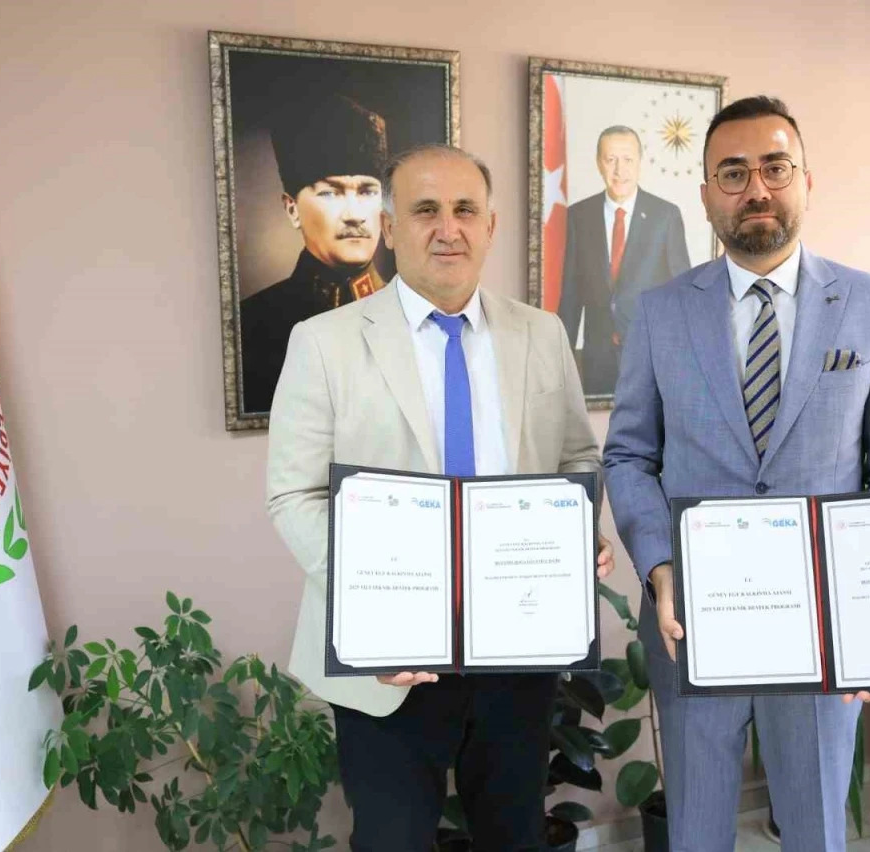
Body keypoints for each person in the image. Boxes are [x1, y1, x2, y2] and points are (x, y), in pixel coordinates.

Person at [602, 95, 870, 852]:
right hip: (692, 618)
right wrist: (658, 564)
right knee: (697, 827)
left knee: (815, 827)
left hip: (823, 626)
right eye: (733, 172)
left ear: (806, 181)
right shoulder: (659, 312)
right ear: (706, 195)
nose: (756, 188)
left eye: (775, 168)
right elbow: (629, 455)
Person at [266, 144, 614, 852]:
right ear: (391, 228)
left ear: (490, 225)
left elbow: (577, 457)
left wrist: (576, 529)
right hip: (387, 664)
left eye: (464, 210)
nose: (447, 229)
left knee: (515, 836)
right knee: (391, 841)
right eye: (425, 210)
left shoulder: (542, 334)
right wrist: (369, 606)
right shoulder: (323, 342)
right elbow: (295, 496)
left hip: (517, 651)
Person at [240, 92, 390, 415]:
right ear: (292, 209)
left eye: (367, 192)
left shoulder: (416, 315)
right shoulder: (250, 326)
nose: (354, 215)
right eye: (330, 193)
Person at [557, 126, 690, 396]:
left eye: (628, 159)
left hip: (651, 357)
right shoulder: (578, 217)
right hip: (597, 360)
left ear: (640, 161)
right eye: (611, 160)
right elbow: (570, 296)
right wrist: (560, 361)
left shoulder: (665, 216)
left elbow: (681, 294)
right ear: (599, 163)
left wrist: (679, 357)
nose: (620, 170)